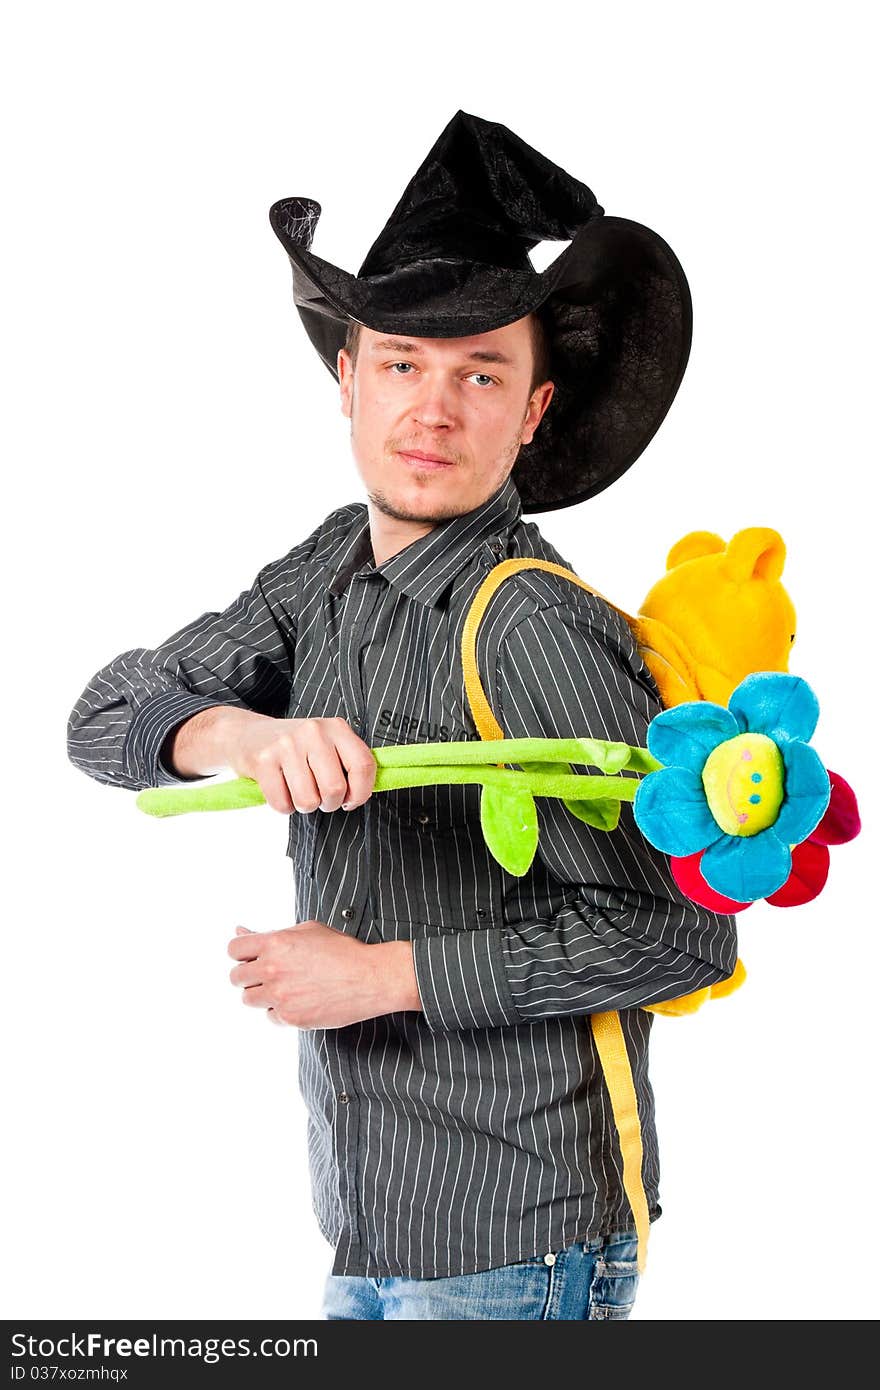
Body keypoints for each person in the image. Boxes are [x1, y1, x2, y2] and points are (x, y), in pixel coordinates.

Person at [66, 110, 737, 1320]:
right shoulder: (327, 567)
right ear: (347, 378)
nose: (433, 410)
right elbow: (105, 715)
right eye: (400, 365)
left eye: (481, 372)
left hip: (519, 1249)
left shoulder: (533, 621)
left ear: (530, 412)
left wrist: (382, 974)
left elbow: (681, 939)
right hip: (371, 1228)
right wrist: (240, 734)